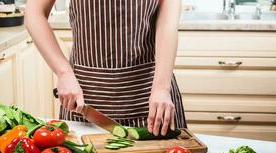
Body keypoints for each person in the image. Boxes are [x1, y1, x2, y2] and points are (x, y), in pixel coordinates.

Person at [25, 0, 186, 136]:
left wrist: (162, 88)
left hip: (151, 99)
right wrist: (64, 73)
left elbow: (167, 25)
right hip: (84, 102)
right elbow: (34, 13)